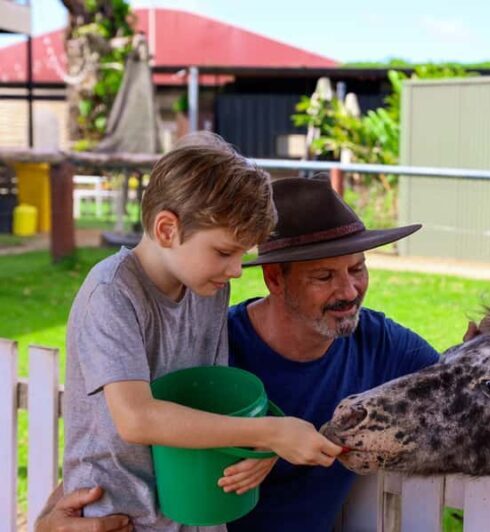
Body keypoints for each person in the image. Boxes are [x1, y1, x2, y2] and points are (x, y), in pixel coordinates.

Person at [39, 174, 447, 532]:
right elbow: (130, 430)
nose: (349, 291)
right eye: (324, 276)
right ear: (275, 279)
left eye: (357, 269)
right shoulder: (215, 344)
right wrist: (50, 517)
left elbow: (454, 389)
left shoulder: (378, 342)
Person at [62, 144, 342, 532]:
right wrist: (269, 432)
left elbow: (214, 399)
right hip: (116, 518)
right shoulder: (112, 293)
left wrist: (259, 447)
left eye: (241, 254)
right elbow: (136, 418)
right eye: (224, 251)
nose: (236, 270)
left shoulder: (206, 287)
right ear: (167, 229)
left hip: (194, 511)